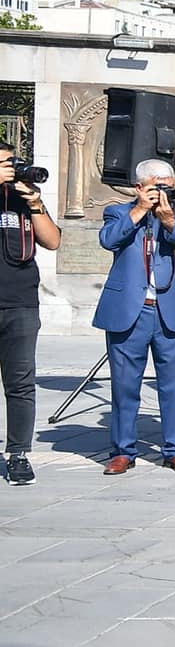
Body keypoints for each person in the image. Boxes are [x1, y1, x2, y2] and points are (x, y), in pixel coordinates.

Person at [94, 159, 175, 474]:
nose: (164, 191)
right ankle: (122, 450)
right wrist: (140, 210)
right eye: (158, 186)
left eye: (169, 185)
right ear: (140, 186)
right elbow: (109, 239)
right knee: (125, 384)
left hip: (172, 310)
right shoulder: (118, 211)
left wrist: (169, 221)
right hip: (131, 309)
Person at [0, 142, 61, 483]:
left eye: (14, 163)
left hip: (21, 303)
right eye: (7, 164)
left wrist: (35, 202)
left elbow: (52, 241)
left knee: (21, 383)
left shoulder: (23, 201)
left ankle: (19, 453)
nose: (12, 169)